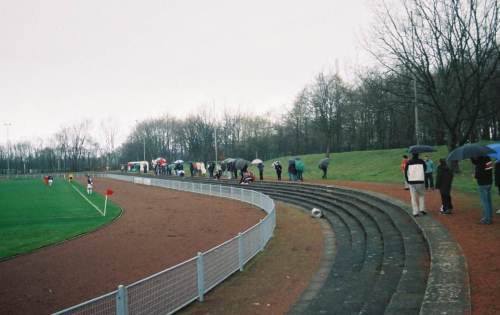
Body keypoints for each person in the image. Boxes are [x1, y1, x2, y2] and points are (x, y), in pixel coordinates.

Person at [471, 156, 493, 224]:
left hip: (482, 184)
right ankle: (489, 217)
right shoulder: (488, 160)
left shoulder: (480, 163)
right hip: (489, 182)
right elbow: (488, 170)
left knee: (484, 202)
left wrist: (474, 175)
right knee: (488, 201)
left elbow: (480, 174)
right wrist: (472, 157)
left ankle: (487, 219)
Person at [405, 153, 427, 217]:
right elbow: (425, 169)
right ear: (418, 155)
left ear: (412, 155)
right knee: (421, 195)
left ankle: (415, 212)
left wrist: (408, 180)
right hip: (420, 180)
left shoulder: (409, 162)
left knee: (413, 197)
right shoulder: (422, 161)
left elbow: (406, 172)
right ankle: (422, 209)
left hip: (411, 182)